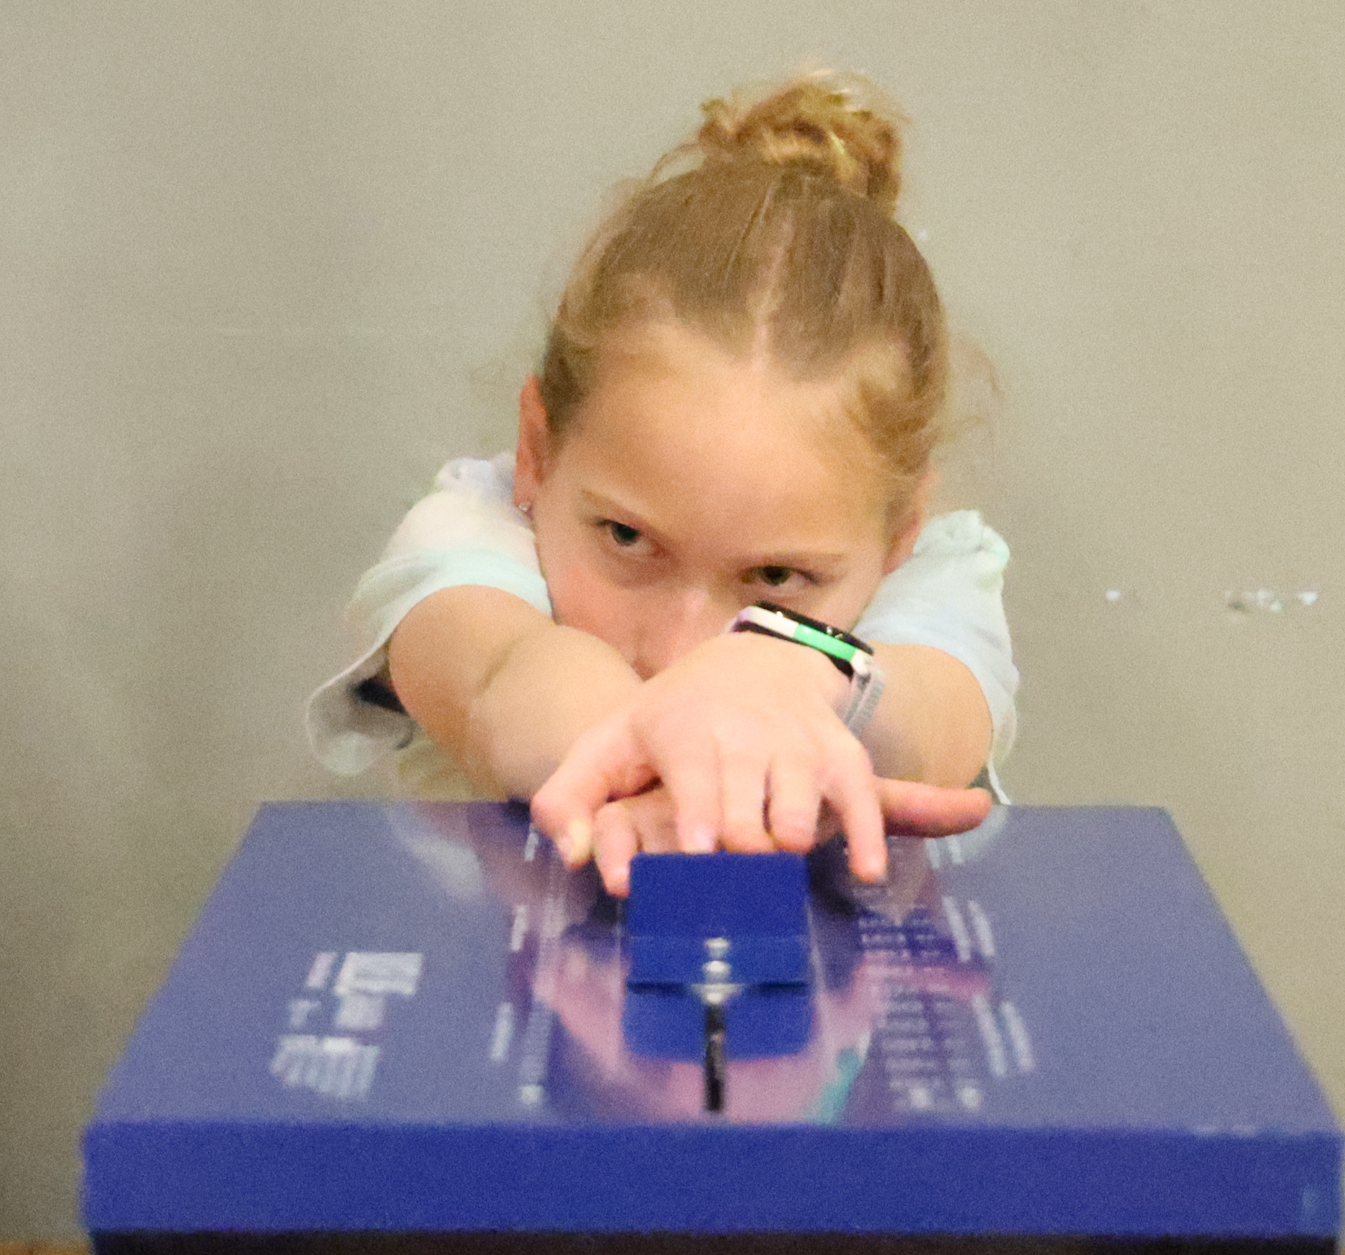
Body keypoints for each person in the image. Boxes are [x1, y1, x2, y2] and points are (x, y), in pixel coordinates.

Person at [307, 71, 1017, 896]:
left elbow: (933, 718)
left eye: (778, 579)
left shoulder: (937, 571)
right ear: (537, 451)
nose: (682, 648)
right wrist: (675, 735)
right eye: (627, 539)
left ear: (901, 535)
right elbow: (508, 673)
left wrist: (784, 667)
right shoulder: (469, 531)